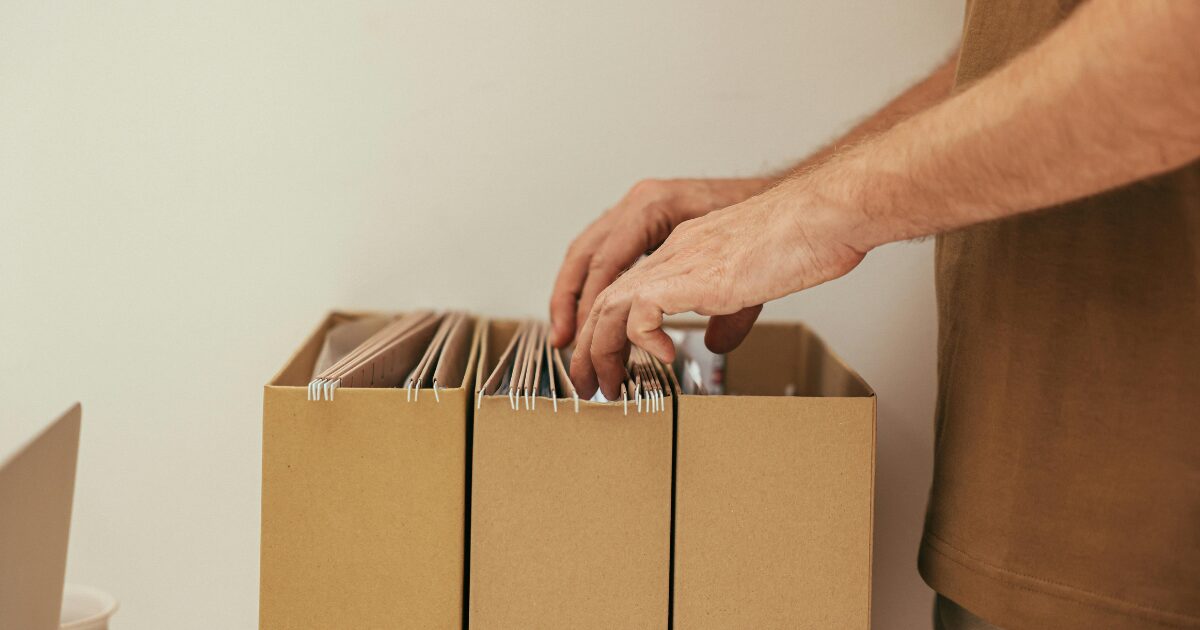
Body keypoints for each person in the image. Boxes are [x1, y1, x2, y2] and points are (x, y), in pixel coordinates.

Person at [549, 1, 1200, 628]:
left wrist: (812, 216)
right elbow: (1021, 55)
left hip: (1146, 535)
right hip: (1021, 504)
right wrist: (766, 203)